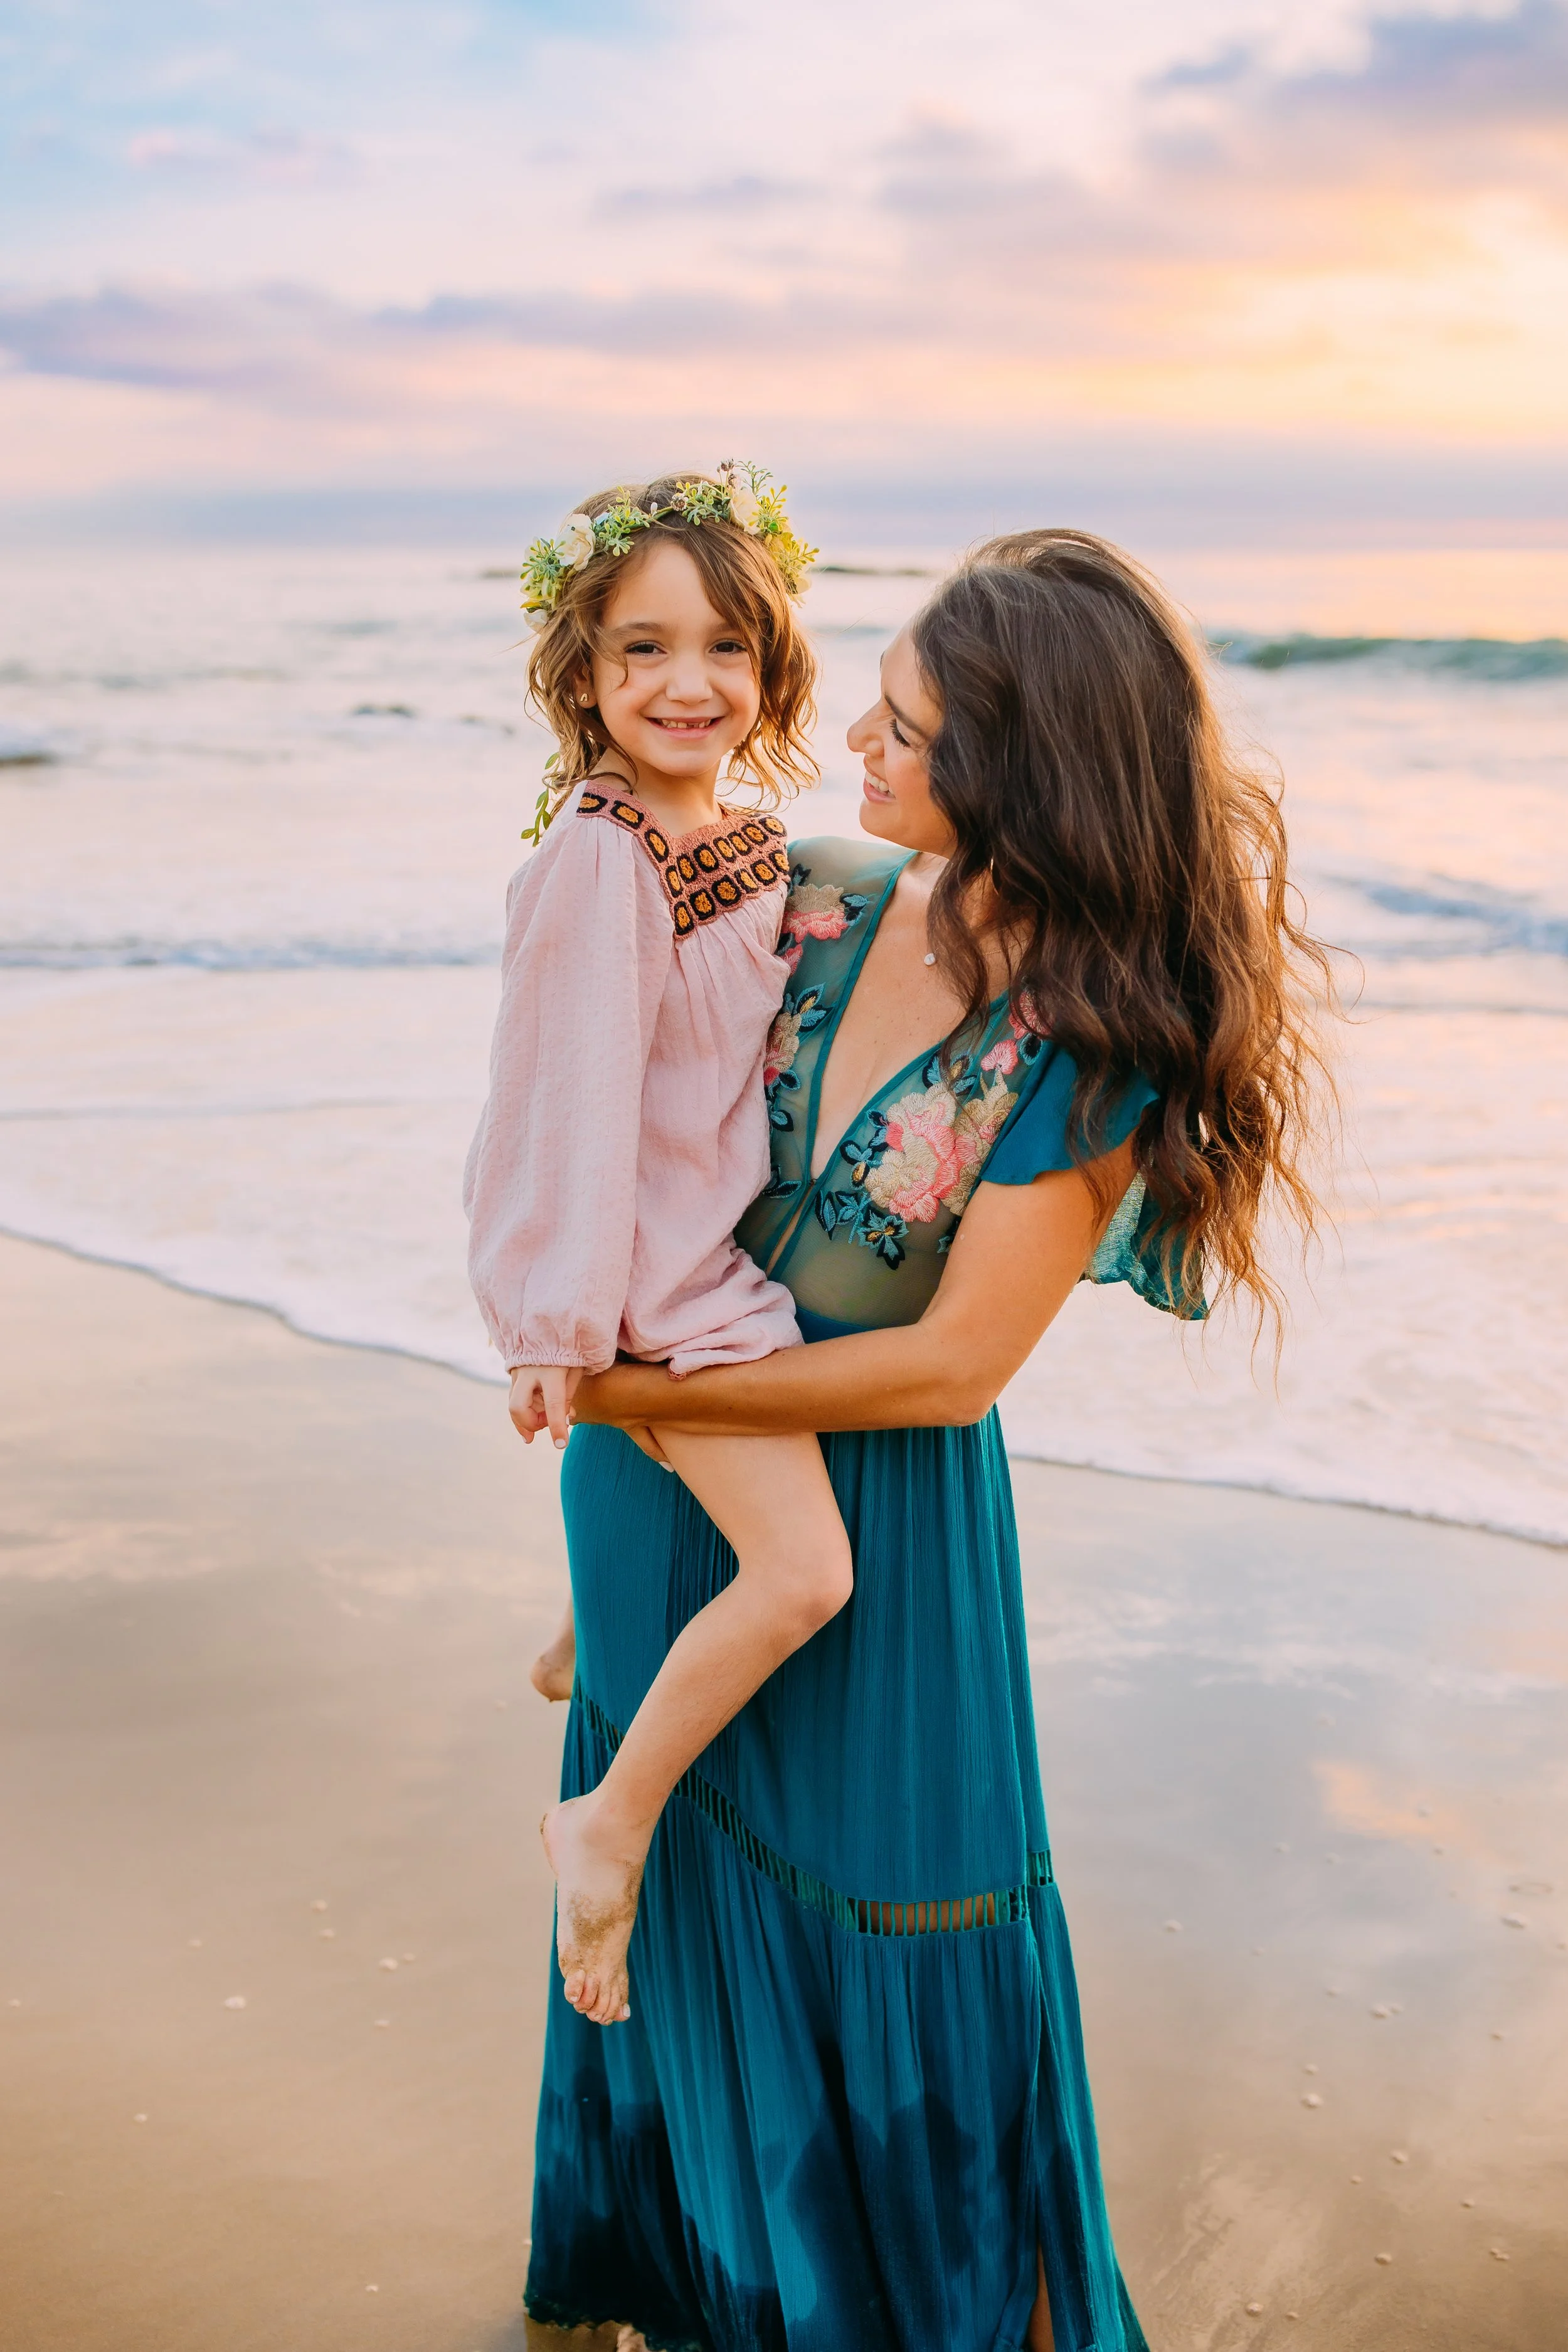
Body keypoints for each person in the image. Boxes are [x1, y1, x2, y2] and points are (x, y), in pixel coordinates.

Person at [524, 527, 1332, 2352]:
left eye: (908, 730)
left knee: (911, 1931)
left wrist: (638, 1397)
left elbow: (952, 1368)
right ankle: (689, 2290)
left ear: (1026, 775)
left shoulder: (1094, 1041)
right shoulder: (795, 890)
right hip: (670, 1495)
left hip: (872, 1544)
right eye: (873, 712)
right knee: (657, 1916)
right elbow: (607, 1117)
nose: (857, 755)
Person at [465, 467, 856, 2033]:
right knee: (806, 1571)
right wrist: (555, 1322)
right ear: (581, 673)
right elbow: (562, 1100)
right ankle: (606, 1822)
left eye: (722, 651)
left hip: (706, 1245)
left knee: (789, 1456)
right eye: (640, 650)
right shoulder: (599, 859)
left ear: (769, 669)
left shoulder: (741, 836)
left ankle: (584, 1620)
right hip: (654, 1282)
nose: (685, 685)